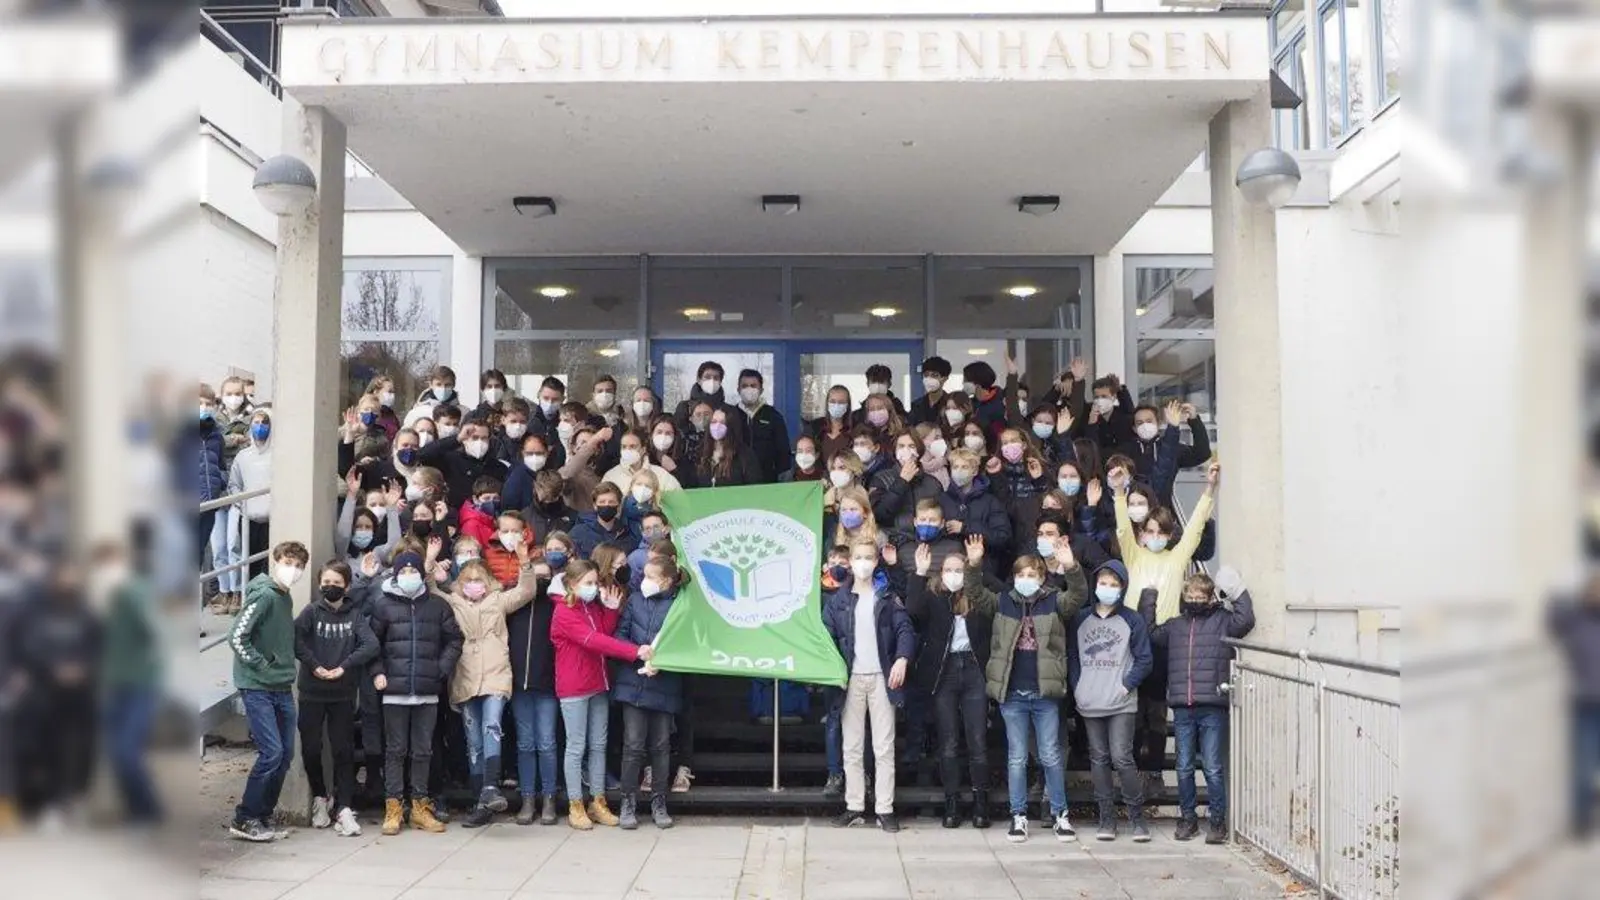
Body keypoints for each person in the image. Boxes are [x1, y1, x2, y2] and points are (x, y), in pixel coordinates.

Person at [968, 538, 1087, 844]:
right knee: (1017, 758)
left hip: (1045, 694)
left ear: (1042, 577)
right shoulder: (1002, 601)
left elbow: (1078, 595)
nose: (1025, 580)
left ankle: (1061, 815)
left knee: (1051, 756)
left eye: (1031, 575)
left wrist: (1071, 566)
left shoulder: (1054, 601)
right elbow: (974, 593)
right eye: (1020, 575)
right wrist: (974, 564)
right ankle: (1018, 816)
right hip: (1013, 695)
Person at [430, 538, 540, 829]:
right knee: (474, 742)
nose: (474, 584)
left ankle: (491, 786)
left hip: (495, 673)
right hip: (465, 676)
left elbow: (526, 590)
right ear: (460, 582)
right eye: (469, 579)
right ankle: (481, 802)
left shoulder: (497, 600)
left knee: (492, 725)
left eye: (480, 579)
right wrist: (429, 561)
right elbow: (430, 592)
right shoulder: (453, 602)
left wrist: (524, 562)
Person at [1143, 571, 1254, 843]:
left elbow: (1246, 620)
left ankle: (1217, 822)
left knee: (1213, 767)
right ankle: (1187, 819)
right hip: (1182, 706)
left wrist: (1237, 591)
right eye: (1190, 595)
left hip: (1212, 705)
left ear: (1210, 597)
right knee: (1183, 767)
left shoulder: (1223, 621)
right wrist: (1149, 596)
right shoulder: (1176, 626)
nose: (1194, 600)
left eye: (1200, 596)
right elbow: (1150, 632)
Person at [549, 559, 654, 829]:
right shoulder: (564, 612)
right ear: (572, 584)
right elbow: (593, 641)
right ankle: (576, 804)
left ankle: (598, 801)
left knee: (598, 745)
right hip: (574, 687)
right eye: (588, 583)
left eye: (595, 582)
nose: (594, 588)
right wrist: (634, 651)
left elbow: (604, 633)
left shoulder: (591, 607)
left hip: (598, 682)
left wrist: (609, 611)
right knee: (576, 747)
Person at [822, 538, 916, 832]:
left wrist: (901, 659)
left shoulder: (886, 596)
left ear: (876, 562)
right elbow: (825, 637)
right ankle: (854, 805)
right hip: (849, 680)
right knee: (851, 746)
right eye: (858, 557)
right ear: (849, 561)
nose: (863, 562)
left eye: (868, 557)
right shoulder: (839, 600)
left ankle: (885, 808)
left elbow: (905, 629)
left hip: (881, 677)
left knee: (883, 746)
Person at [368, 549, 464, 836]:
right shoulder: (383, 606)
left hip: (426, 691)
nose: (409, 576)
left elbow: (455, 640)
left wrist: (440, 669)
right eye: (403, 571)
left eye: (413, 571)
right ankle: (394, 806)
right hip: (394, 692)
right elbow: (372, 644)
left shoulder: (437, 606)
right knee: (396, 750)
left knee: (423, 750)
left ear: (422, 574)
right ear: (396, 574)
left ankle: (420, 806)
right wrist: (378, 672)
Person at [905, 537, 995, 829]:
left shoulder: (978, 595)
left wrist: (976, 568)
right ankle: (951, 803)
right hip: (944, 672)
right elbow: (913, 611)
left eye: (959, 569)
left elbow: (1001, 595)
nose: (953, 574)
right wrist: (919, 573)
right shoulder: (933, 595)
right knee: (948, 742)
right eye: (948, 569)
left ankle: (981, 804)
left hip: (973, 670)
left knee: (978, 739)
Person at [226, 541, 310, 842]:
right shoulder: (263, 596)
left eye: (300, 565)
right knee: (272, 752)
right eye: (289, 562)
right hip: (258, 686)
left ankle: (262, 814)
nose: (294, 570)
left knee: (284, 754)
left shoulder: (284, 599)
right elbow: (236, 636)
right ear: (275, 560)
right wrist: (260, 665)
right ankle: (245, 816)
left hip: (281, 685)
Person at [1068, 560, 1154, 842]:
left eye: (1114, 584)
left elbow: (1144, 659)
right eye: (1103, 583)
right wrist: (1077, 687)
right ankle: (1106, 818)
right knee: (1099, 758)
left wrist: (1125, 685)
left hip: (1121, 701)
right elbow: (1073, 658)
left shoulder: (1133, 619)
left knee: (1122, 757)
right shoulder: (1080, 618)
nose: (1108, 588)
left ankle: (1136, 817)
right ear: (1095, 585)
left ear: (1123, 588)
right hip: (1090, 700)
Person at [294, 560, 379, 838]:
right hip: (311, 692)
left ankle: (344, 807)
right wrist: (314, 665)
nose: (330, 588)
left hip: (342, 694)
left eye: (336, 584)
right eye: (326, 583)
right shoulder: (310, 612)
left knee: (342, 751)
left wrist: (345, 666)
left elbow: (371, 644)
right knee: (310, 748)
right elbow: (296, 640)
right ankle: (321, 797)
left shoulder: (355, 616)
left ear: (347, 587)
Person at [614, 557, 687, 829]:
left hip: (664, 684)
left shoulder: (679, 605)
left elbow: (686, 643)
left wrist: (664, 662)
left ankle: (659, 801)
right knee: (633, 745)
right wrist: (636, 652)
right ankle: (628, 802)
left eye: (651, 576)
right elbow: (620, 634)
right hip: (633, 681)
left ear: (667, 580)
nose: (644, 580)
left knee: (660, 746)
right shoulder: (635, 600)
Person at [96, 545, 164, 824]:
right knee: (114, 751)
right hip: (113, 683)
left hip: (140, 683)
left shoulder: (136, 593)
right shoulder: (102, 601)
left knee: (126, 750)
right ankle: (138, 808)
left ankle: (146, 809)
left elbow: (154, 628)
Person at [506, 533, 568, 825]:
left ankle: (549, 798)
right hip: (519, 683)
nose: (540, 581)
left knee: (546, 742)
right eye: (535, 575)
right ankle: (528, 798)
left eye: (546, 576)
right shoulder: (515, 604)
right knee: (525, 744)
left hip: (547, 684)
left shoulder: (557, 604)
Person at [939, 448, 1013, 574]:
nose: (959, 471)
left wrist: (965, 528)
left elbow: (1002, 537)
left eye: (964, 467)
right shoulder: (941, 499)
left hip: (983, 569)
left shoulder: (990, 501)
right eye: (955, 467)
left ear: (974, 471)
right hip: (949, 568)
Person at [226, 408, 275, 592]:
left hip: (273, 520)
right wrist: (242, 506)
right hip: (248, 519)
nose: (260, 427)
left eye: (264, 423)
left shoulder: (278, 455)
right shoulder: (243, 456)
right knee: (251, 564)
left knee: (271, 565)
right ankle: (252, 600)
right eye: (256, 423)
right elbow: (234, 484)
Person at [416, 418, 512, 511]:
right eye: (474, 437)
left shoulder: (498, 467)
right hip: (456, 518)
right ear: (464, 439)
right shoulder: (450, 460)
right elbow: (423, 455)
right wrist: (457, 439)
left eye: (484, 438)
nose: (479, 442)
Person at [734, 369, 791, 483]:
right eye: (744, 386)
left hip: (767, 481)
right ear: (738, 389)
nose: (749, 389)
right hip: (736, 482)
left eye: (753, 386)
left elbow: (783, 452)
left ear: (761, 390)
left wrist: (784, 479)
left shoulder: (773, 416)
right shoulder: (731, 416)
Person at [194, 384, 228, 570]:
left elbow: (221, 465)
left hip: (209, 505)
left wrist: (219, 483)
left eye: (208, 403)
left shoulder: (216, 436)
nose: (204, 407)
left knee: (198, 554)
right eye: (198, 403)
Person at [687, 408, 762, 488]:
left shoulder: (744, 455)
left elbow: (754, 487)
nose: (717, 426)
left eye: (722, 422)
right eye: (714, 422)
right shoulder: (701, 452)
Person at [673, 361, 743, 444]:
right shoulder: (685, 407)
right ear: (699, 380)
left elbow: (736, 440)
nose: (712, 381)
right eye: (707, 377)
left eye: (716, 378)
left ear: (720, 381)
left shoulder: (730, 410)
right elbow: (676, 436)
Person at [570, 482, 641, 558]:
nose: (607, 505)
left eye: (611, 502)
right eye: (602, 502)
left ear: (619, 506)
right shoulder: (579, 533)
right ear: (595, 505)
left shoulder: (627, 534)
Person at [603, 429, 682, 494]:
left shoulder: (661, 475)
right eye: (624, 447)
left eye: (632, 446)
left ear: (643, 449)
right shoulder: (611, 476)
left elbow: (679, 500)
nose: (627, 450)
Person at [1086, 374, 1136, 453]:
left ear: (1113, 397)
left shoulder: (1124, 417)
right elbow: (1090, 449)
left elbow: (1131, 411)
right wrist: (1092, 425)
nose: (1100, 400)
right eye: (1096, 397)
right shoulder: (1089, 419)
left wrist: (1120, 389)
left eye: (1104, 396)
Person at [808, 385, 856, 464]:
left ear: (848, 405)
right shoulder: (815, 428)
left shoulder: (855, 430)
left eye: (841, 402)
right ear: (827, 404)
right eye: (833, 401)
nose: (836, 405)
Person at [960, 361, 1007, 441]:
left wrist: (973, 417)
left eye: (965, 380)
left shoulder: (1001, 401)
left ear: (976, 383)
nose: (963, 383)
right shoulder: (970, 403)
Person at [456, 476, 505, 550]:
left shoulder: (496, 518)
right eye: (486, 498)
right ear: (475, 499)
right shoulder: (471, 525)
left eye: (496, 498)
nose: (491, 502)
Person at [909, 356, 953, 428]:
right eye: (926, 375)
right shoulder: (916, 405)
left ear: (944, 379)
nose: (929, 379)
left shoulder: (950, 404)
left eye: (934, 375)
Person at [366, 375, 402, 439]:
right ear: (376, 392)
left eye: (393, 392)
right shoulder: (366, 413)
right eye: (389, 391)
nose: (392, 395)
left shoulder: (391, 415)